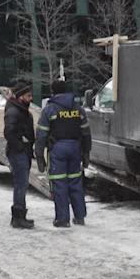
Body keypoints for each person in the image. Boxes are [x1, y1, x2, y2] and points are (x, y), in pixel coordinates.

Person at [35, 80, 91, 228]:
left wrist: (39, 155)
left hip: (58, 149)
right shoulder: (78, 109)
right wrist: (86, 153)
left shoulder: (50, 110)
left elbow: (41, 134)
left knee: (59, 184)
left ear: (52, 92)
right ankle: (79, 217)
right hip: (75, 148)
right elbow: (86, 133)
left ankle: (62, 219)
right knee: (75, 183)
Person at [4, 81, 36, 229]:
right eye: (28, 96)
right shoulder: (14, 111)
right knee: (20, 184)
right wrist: (20, 146)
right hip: (18, 153)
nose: (31, 98)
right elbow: (9, 132)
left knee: (22, 184)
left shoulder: (21, 110)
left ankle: (20, 215)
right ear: (20, 96)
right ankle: (18, 217)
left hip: (23, 151)